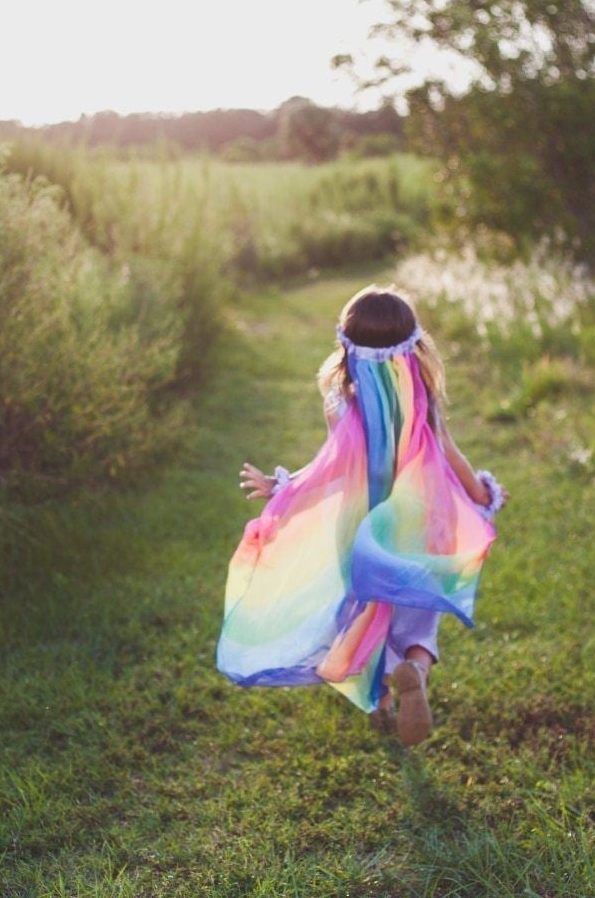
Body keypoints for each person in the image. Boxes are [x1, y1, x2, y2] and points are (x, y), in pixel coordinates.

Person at [215, 284, 508, 746]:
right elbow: (451, 457)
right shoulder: (424, 402)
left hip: (357, 533)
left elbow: (330, 470)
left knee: (365, 615)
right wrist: (483, 495)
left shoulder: (343, 406)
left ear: (346, 350)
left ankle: (382, 701)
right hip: (419, 528)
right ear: (414, 348)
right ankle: (415, 670)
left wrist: (283, 486)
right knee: (418, 618)